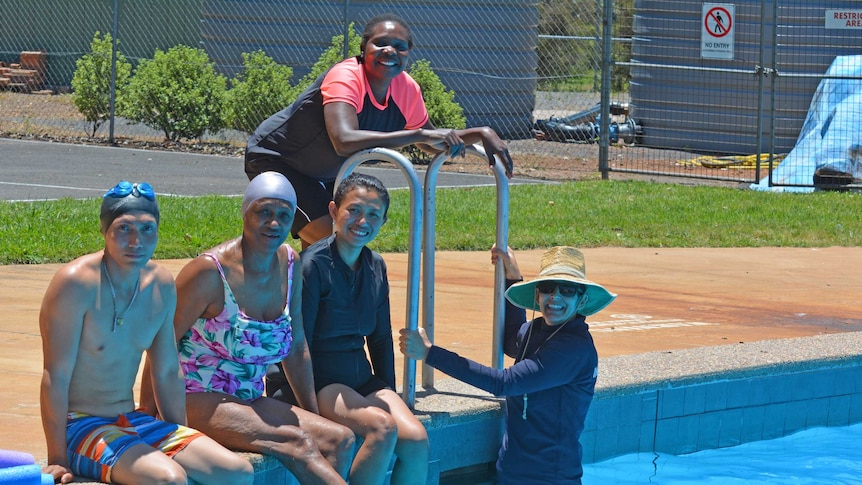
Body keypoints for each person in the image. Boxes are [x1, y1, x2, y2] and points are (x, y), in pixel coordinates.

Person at [139, 172, 356, 485]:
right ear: (245, 212)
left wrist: (312, 414)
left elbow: (295, 346)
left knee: (339, 439)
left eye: (283, 215)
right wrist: (149, 412)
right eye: (263, 212)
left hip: (249, 397)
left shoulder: (290, 264)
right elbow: (162, 342)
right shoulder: (208, 272)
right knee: (297, 443)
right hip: (195, 395)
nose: (273, 223)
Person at [39, 180, 254, 485]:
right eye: (124, 228)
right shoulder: (75, 285)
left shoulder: (160, 285)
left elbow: (167, 370)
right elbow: (54, 375)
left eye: (147, 229)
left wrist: (181, 436)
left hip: (132, 420)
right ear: (104, 231)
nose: (136, 241)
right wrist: (57, 458)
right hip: (82, 425)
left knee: (237, 473)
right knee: (169, 479)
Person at [245, 12, 515, 249]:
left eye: (399, 46)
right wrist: (419, 134)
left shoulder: (406, 88)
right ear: (364, 49)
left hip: (324, 172)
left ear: (408, 54)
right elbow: (344, 140)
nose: (390, 50)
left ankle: (308, 302)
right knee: (334, 238)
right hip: (277, 160)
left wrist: (481, 132)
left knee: (323, 251)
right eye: (381, 43)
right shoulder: (346, 77)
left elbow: (433, 142)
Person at [399, 246, 617, 484]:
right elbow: (514, 340)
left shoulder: (574, 349)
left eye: (567, 290)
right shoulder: (538, 329)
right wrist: (512, 275)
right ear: (537, 295)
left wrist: (430, 354)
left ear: (582, 299)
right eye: (547, 288)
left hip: (550, 478)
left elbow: (504, 383)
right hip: (512, 472)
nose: (555, 297)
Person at [266, 173, 429, 485]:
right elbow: (297, 344)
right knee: (381, 429)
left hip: (359, 380)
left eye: (373, 214)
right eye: (353, 210)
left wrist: (390, 394)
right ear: (333, 211)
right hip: (317, 380)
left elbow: (380, 340)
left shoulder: (376, 266)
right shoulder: (311, 266)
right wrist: (310, 409)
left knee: (416, 440)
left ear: (382, 222)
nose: (361, 221)